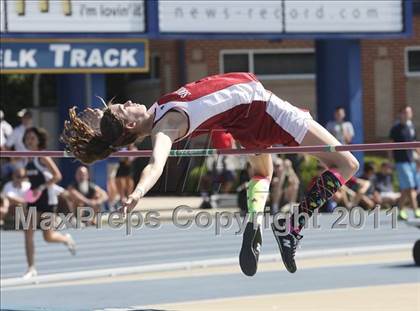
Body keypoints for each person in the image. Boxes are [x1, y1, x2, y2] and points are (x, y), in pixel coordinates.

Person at [61, 72, 359, 276]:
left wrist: (100, 123)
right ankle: (293, 225)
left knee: (263, 172)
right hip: (266, 110)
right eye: (126, 109)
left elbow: (112, 133)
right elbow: (156, 164)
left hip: (244, 122)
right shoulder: (166, 127)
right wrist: (138, 192)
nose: (129, 102)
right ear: (129, 125)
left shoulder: (154, 113)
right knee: (348, 165)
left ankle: (255, 220)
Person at [22, 127, 76, 279]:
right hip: (33, 199)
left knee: (48, 236)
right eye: (27, 138)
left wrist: (42, 187)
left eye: (32, 138)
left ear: (39, 140)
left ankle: (66, 239)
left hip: (47, 200)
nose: (29, 141)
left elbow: (57, 176)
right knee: (28, 234)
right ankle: (31, 268)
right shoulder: (27, 158)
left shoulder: (43, 157)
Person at [389, 106, 420, 220]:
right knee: (410, 187)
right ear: (400, 114)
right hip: (401, 162)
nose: (408, 114)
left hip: (411, 161)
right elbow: (390, 145)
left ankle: (400, 211)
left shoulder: (411, 127)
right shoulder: (396, 128)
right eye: (406, 112)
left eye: (409, 112)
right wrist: (390, 161)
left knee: (406, 188)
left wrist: (419, 158)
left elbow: (415, 143)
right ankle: (416, 209)